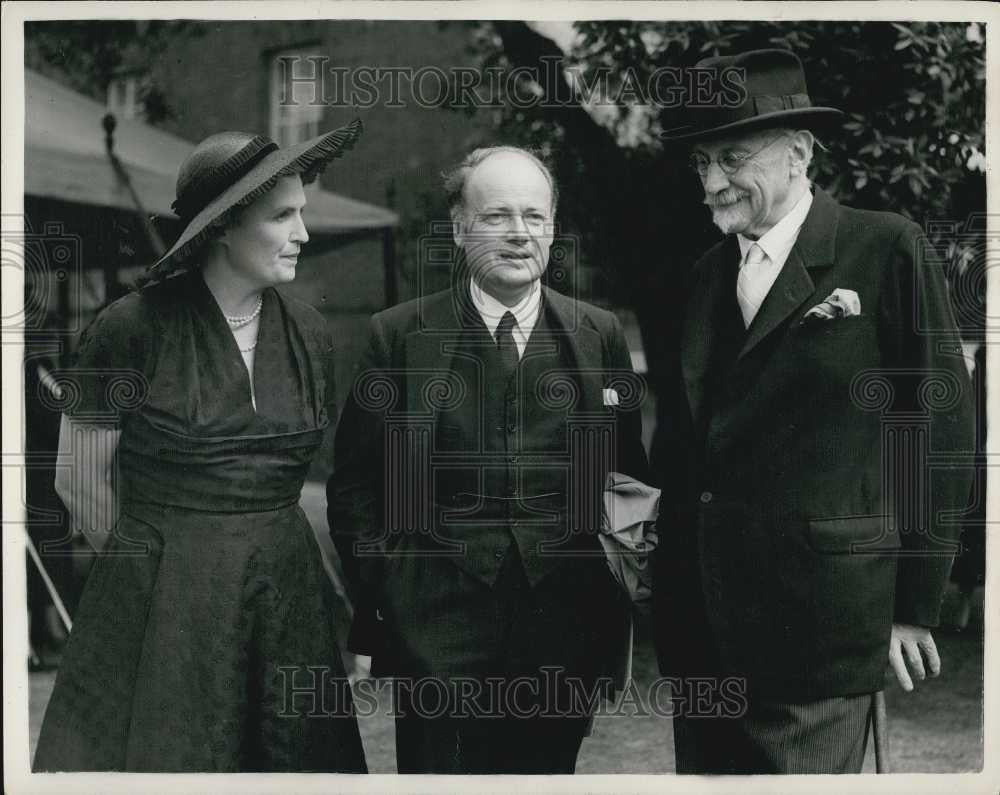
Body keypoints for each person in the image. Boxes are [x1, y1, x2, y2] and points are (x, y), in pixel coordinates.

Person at [652, 49, 975, 774]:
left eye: (731, 156)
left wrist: (913, 603)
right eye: (701, 161)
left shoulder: (884, 246)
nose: (711, 181)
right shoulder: (705, 274)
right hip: (703, 627)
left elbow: (938, 428)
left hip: (822, 626)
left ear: (798, 153)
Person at [33, 121, 369, 772]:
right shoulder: (130, 329)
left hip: (287, 603)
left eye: (302, 213)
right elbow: (77, 482)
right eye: (283, 216)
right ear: (223, 225)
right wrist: (158, 570)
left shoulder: (309, 332)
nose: (303, 233)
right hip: (164, 612)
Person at [328, 146, 648, 773]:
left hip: (564, 628)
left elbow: (627, 479)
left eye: (534, 215)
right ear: (459, 227)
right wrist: (394, 592)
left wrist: (611, 599)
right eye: (497, 215)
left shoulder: (598, 333)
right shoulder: (398, 336)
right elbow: (357, 487)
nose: (518, 233)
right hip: (436, 632)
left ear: (554, 227)